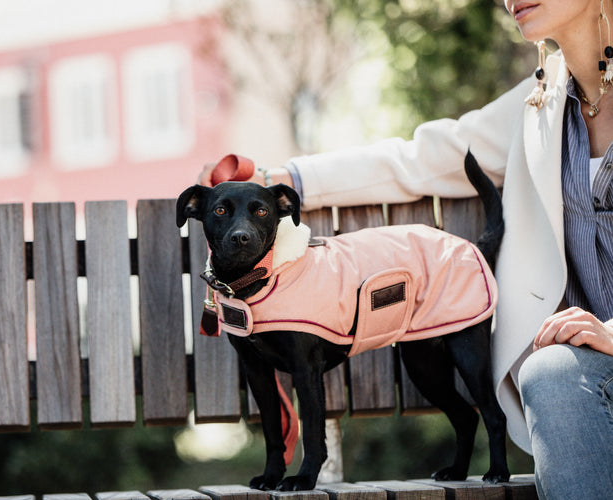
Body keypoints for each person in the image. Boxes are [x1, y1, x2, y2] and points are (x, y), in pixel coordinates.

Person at [199, 1, 613, 498]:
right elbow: (423, 157)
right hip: (579, 369)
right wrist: (285, 178)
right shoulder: (541, 101)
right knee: (550, 373)